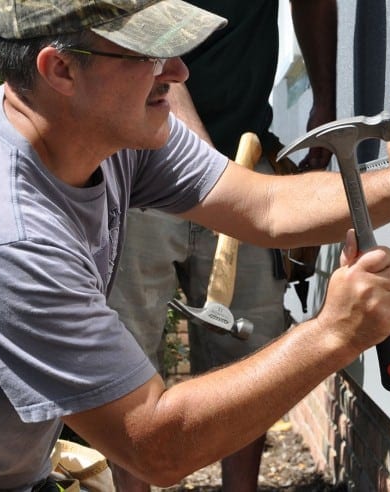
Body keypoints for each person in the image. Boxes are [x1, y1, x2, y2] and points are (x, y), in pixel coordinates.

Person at [0, 0, 390, 490]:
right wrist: (333, 333)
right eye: (145, 52)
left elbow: (264, 207)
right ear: (61, 69)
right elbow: (155, 443)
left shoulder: (100, 129)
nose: (177, 70)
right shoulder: (5, 236)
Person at [106, 2, 336, 490]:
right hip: (142, 169)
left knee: (249, 355)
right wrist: (207, 172)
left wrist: (325, 97)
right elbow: (153, 37)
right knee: (126, 358)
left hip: (245, 155)